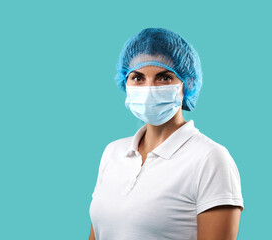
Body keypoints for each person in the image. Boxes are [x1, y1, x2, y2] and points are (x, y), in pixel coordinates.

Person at [88, 28, 244, 240]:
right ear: (125, 82)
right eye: (138, 77)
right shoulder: (113, 152)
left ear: (186, 84)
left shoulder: (210, 159)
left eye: (163, 78)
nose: (149, 88)